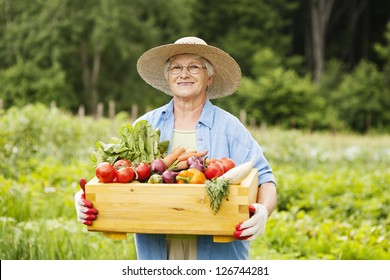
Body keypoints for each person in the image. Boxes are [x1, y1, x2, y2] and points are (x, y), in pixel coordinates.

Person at [75, 36, 277, 260]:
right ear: (168, 77)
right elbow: (115, 175)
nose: (184, 74)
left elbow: (266, 179)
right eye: (176, 68)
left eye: (193, 67)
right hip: (158, 252)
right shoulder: (147, 125)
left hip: (218, 255)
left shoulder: (230, 127)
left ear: (209, 77)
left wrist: (263, 211)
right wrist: (86, 197)